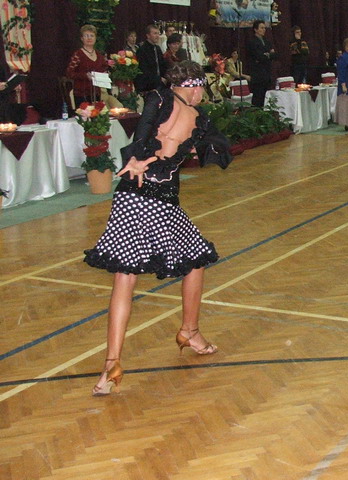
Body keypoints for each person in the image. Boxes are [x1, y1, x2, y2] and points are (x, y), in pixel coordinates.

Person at [84, 60, 232, 396]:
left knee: (126, 277)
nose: (201, 93)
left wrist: (139, 158)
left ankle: (112, 364)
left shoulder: (162, 100)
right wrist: (192, 145)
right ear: (190, 86)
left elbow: (145, 132)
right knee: (195, 257)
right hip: (160, 203)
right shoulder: (195, 115)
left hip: (130, 198)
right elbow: (219, 151)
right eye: (199, 87)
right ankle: (189, 332)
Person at [66, 24, 110, 105]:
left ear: (95, 38)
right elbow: (69, 73)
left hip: (96, 94)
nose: (89, 38)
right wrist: (85, 75)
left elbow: (104, 69)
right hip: (81, 95)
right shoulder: (78, 54)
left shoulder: (99, 55)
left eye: (92, 36)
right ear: (82, 38)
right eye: (86, 36)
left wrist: (106, 74)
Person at [245, 19, 277, 108]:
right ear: (256, 29)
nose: (264, 30)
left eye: (264, 28)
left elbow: (274, 55)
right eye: (261, 28)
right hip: (257, 74)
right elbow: (258, 56)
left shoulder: (267, 41)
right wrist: (267, 55)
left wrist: (267, 55)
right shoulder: (252, 42)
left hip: (267, 73)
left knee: (264, 98)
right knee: (257, 97)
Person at [136, 24, 166, 96]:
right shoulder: (142, 50)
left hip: (159, 84)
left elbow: (162, 65)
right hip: (148, 86)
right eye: (155, 33)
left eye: (158, 33)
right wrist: (158, 79)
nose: (157, 36)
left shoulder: (157, 49)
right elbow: (143, 70)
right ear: (148, 35)